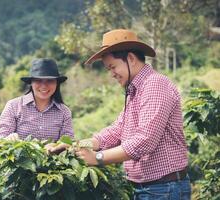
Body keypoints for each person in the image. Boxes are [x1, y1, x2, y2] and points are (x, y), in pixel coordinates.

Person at [47, 29, 191, 199]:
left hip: (164, 188)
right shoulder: (135, 91)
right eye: (109, 69)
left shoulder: (155, 85)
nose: (112, 74)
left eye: (113, 67)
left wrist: (97, 158)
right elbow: (115, 132)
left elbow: (145, 140)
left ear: (130, 58)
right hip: (149, 189)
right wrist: (75, 146)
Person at [0, 58, 74, 142]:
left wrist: (55, 147)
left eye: (50, 81)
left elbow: (68, 143)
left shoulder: (64, 112)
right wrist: (8, 139)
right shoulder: (13, 106)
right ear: (31, 83)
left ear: (56, 83)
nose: (44, 86)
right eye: (38, 80)